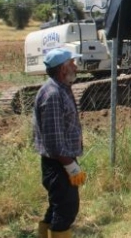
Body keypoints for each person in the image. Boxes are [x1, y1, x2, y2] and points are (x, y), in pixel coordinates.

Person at [33, 48, 86, 238]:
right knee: (66, 209)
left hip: (61, 161)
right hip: (58, 164)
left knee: (58, 206)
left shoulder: (61, 88)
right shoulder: (53, 95)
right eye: (72, 63)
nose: (76, 66)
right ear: (63, 69)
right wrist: (71, 167)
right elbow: (54, 142)